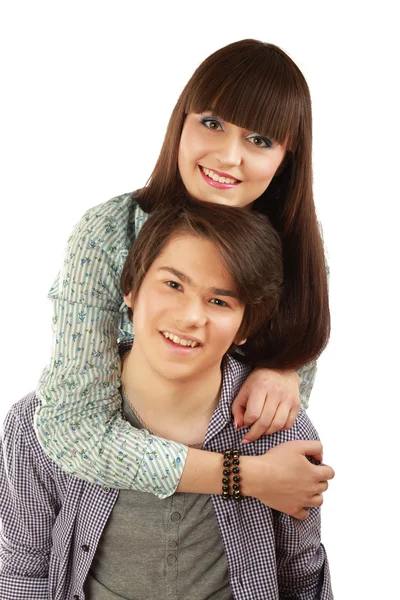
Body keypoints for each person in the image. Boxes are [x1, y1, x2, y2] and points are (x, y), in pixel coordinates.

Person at [33, 39, 330, 510]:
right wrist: (244, 476)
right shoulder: (108, 233)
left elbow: (276, 426)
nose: (229, 157)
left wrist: (285, 368)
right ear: (182, 122)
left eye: (259, 140)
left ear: (286, 157)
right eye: (212, 124)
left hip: (221, 530)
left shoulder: (296, 251)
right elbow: (75, 428)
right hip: (100, 507)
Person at [0, 200, 333, 599]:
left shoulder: (277, 430)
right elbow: (23, 568)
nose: (191, 316)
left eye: (219, 301)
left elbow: (302, 575)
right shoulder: (40, 427)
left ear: (246, 326)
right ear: (130, 290)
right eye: (173, 285)